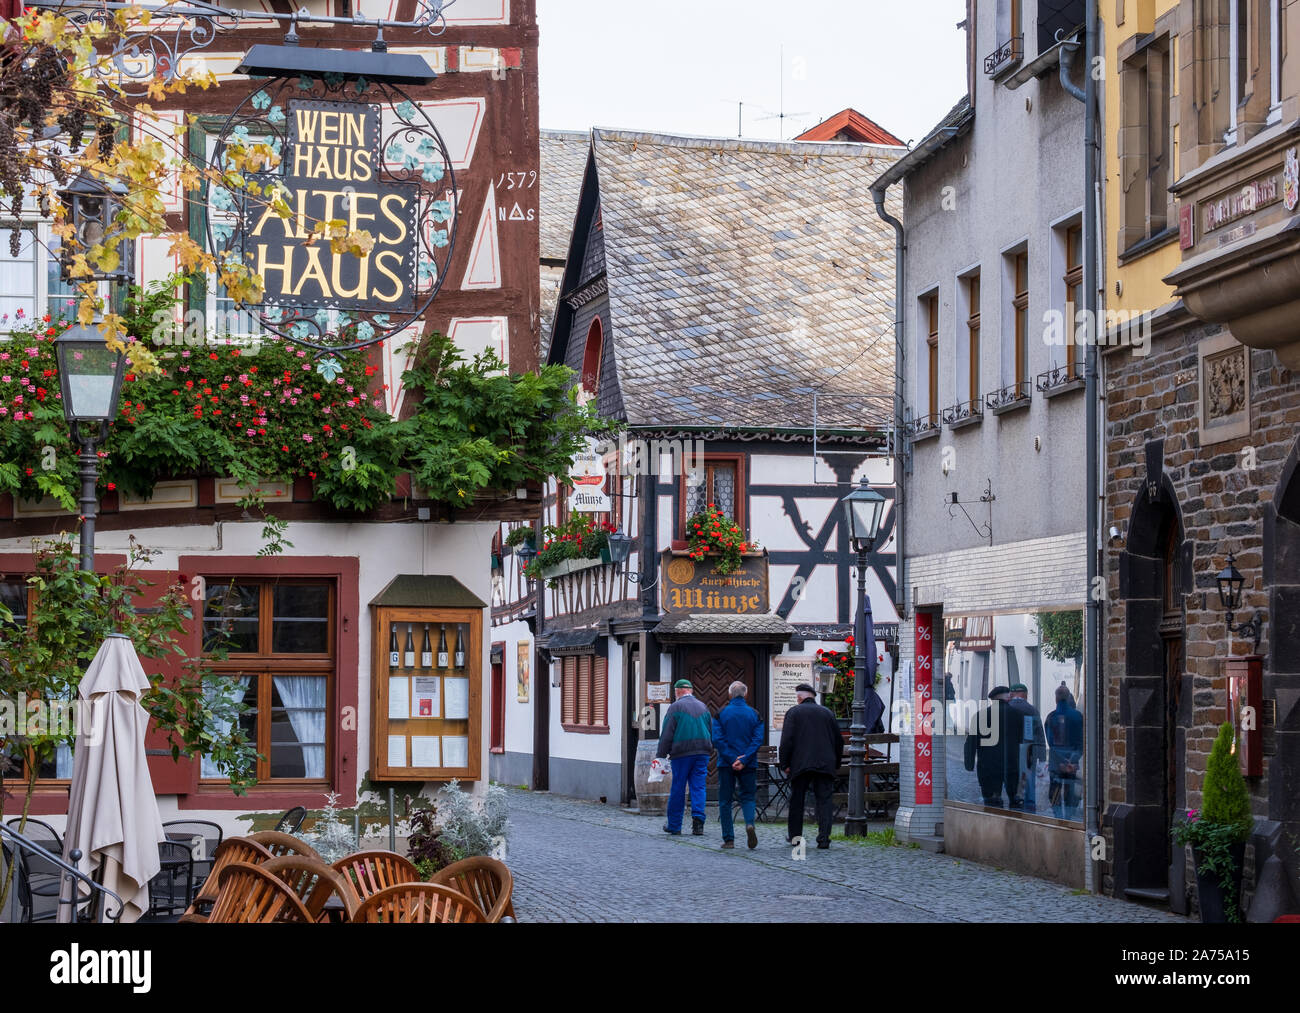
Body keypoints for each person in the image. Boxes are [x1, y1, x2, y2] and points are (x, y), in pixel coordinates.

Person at [778, 683, 843, 850]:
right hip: (825, 764)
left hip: (800, 764)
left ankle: (795, 838)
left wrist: (784, 763)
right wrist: (836, 762)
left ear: (800, 697)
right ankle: (824, 839)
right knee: (825, 801)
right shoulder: (828, 713)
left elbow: (786, 741)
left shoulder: (794, 712)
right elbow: (838, 740)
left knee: (797, 801)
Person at [656, 679, 715, 836]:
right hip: (702, 752)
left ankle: (674, 825)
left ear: (678, 691)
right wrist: (710, 748)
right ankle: (698, 824)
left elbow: (667, 734)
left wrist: (661, 755)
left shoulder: (675, 707)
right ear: (690, 690)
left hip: (682, 753)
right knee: (698, 787)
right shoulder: (703, 707)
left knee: (678, 787)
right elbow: (711, 730)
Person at [712, 680, 764, 850]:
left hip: (726, 764)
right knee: (748, 797)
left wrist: (731, 758)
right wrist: (744, 759)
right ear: (746, 694)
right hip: (748, 764)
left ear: (729, 695)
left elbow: (717, 739)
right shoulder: (755, 714)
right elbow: (757, 740)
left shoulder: (721, 713)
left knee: (725, 801)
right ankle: (750, 823)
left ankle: (729, 839)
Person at [965, 686, 1012, 807]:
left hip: (987, 765)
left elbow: (971, 743)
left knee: (990, 800)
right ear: (1007, 697)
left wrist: (969, 764)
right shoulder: (1016, 714)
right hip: (1010, 764)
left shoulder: (980, 715)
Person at [1044, 683, 1084, 820]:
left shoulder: (1051, 717)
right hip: (1071, 763)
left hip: (1057, 763)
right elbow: (1081, 742)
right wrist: (1072, 759)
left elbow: (1051, 742)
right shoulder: (1078, 716)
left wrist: (1061, 760)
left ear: (1056, 698)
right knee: (1070, 791)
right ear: (1068, 698)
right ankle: (1068, 818)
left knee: (1054, 792)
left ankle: (1058, 817)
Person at [1006, 683, 1046, 812]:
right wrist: (1042, 756)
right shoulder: (1032, 709)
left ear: (1012, 694)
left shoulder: (1007, 708)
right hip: (1030, 751)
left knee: (1012, 778)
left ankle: (1013, 802)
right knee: (1029, 779)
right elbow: (1039, 733)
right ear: (1025, 694)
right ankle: (1030, 806)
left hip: (1010, 751)